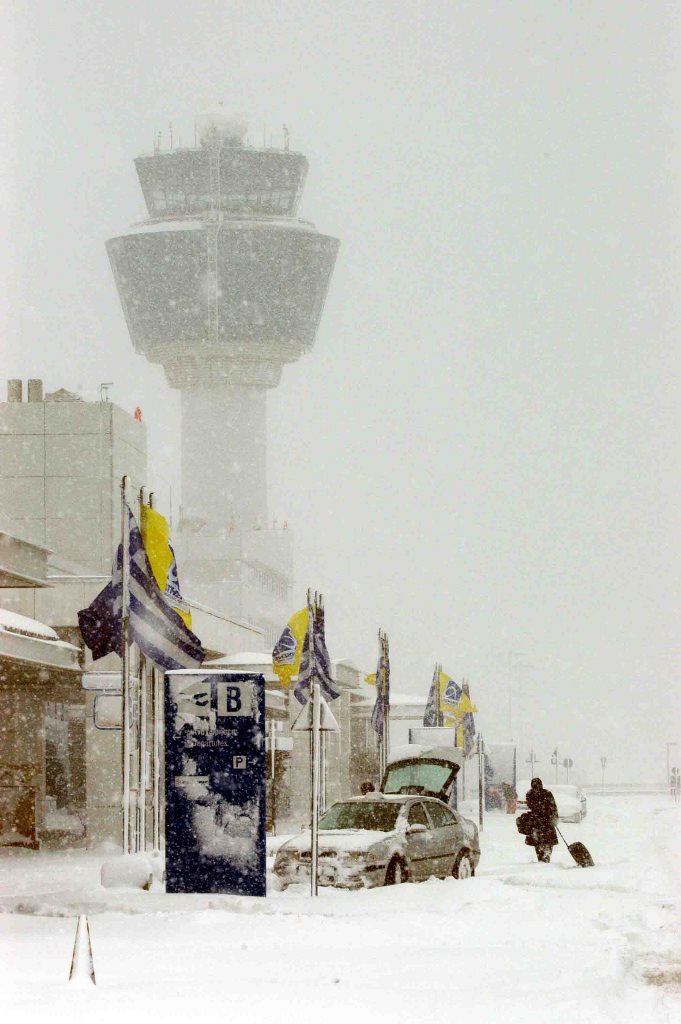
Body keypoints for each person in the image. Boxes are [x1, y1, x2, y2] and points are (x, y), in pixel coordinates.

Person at [523, 778, 559, 863]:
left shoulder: (530, 794)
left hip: (536, 822)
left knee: (538, 841)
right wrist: (554, 817)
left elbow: (530, 806)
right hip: (546, 821)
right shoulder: (547, 793)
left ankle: (541, 857)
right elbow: (553, 807)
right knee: (547, 841)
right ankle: (546, 856)